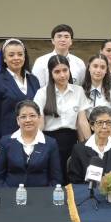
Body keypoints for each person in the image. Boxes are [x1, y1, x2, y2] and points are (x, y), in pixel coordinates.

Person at [33, 54, 90, 182]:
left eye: (65, 70)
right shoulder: (42, 93)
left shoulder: (78, 91)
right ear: (51, 73)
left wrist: (89, 144)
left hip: (71, 140)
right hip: (49, 141)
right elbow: (39, 123)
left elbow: (82, 121)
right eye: (57, 71)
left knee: (70, 177)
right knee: (54, 178)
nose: (62, 75)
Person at [0, 38, 41, 160]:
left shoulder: (33, 80)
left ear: (25, 57)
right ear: (4, 59)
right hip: (6, 141)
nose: (16, 58)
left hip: (33, 139)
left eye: (20, 54)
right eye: (11, 55)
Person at [0, 100, 62, 187]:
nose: (28, 120)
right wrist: (7, 195)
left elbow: (56, 178)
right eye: (23, 117)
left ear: (39, 118)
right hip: (10, 195)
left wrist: (46, 196)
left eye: (32, 116)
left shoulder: (51, 143)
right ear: (18, 120)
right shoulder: (5, 142)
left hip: (41, 196)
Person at [68, 106, 111, 184]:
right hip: (86, 193)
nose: (104, 126)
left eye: (108, 123)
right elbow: (74, 181)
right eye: (100, 123)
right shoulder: (79, 149)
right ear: (92, 126)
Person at [79, 53, 111, 139]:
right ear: (89, 68)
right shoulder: (80, 92)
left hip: (109, 136)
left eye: (102, 67)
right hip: (87, 136)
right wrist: (89, 143)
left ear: (106, 71)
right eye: (95, 66)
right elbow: (82, 121)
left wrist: (106, 143)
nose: (98, 70)